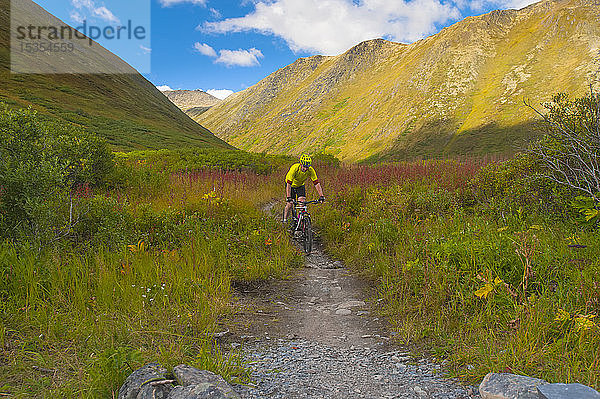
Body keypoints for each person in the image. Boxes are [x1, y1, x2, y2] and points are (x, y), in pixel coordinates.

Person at [283, 154, 325, 224]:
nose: (305, 169)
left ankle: (301, 223)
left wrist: (321, 196)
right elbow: (288, 184)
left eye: (307, 167)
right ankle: (285, 220)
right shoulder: (294, 168)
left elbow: (316, 183)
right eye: (304, 167)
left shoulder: (311, 170)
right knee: (290, 204)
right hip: (291, 185)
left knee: (302, 203)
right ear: (301, 164)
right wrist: (288, 197)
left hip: (300, 186)